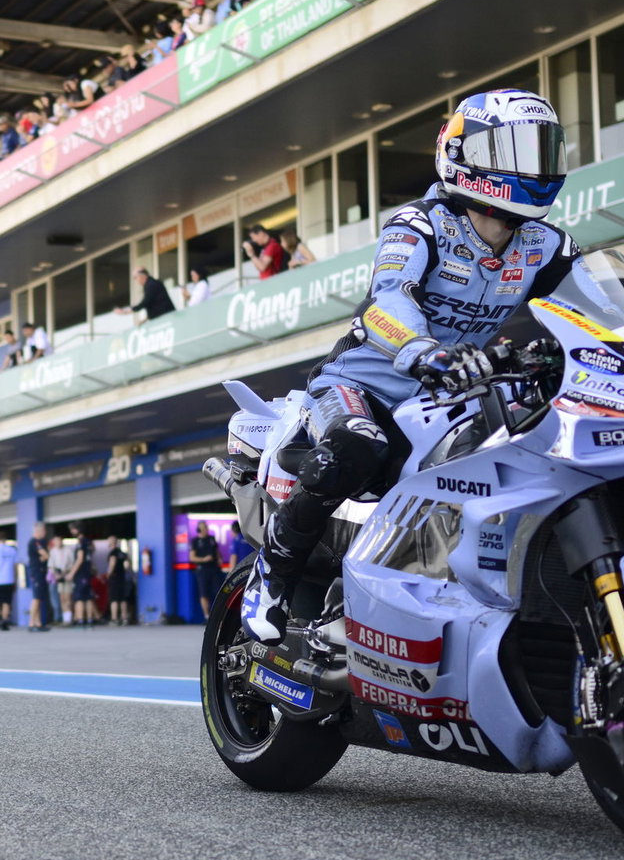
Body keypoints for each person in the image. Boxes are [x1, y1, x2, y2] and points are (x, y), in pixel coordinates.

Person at [244, 89, 584, 644]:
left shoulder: (548, 246)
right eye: (518, 149)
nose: (536, 165)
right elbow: (389, 301)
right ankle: (273, 574)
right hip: (362, 385)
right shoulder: (421, 224)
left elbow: (593, 310)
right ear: (466, 153)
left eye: (545, 150)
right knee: (356, 443)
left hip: (452, 397)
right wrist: (424, 351)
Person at [190, 521, 223, 620]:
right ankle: (206, 616)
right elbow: (192, 557)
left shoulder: (211, 539)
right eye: (204, 528)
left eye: (206, 527)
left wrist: (219, 559)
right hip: (202, 570)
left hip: (214, 569)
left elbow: (217, 552)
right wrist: (204, 559)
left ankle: (219, 615)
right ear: (199, 529)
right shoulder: (195, 541)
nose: (206, 530)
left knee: (218, 591)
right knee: (203, 593)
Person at [66, 525, 97, 628]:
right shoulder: (89, 542)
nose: (71, 531)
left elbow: (80, 559)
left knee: (79, 597)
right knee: (88, 597)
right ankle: (90, 619)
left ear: (77, 530)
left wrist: (71, 573)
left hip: (81, 574)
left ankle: (80, 619)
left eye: (72, 529)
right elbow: (91, 558)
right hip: (87, 573)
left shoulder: (80, 543)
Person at [25, 523, 52, 633]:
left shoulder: (39, 542)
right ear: (38, 531)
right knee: (36, 598)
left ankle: (38, 623)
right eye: (44, 531)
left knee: (39, 598)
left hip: (39, 572)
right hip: (37, 572)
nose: (45, 534)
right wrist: (43, 557)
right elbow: (46, 555)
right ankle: (31, 623)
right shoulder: (35, 542)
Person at [105, 537, 133, 626]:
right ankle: (124, 618)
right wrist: (126, 570)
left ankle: (114, 619)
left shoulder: (113, 553)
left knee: (114, 599)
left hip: (114, 578)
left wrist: (108, 574)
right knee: (123, 599)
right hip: (122, 578)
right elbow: (129, 563)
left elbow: (112, 564)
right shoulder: (122, 553)